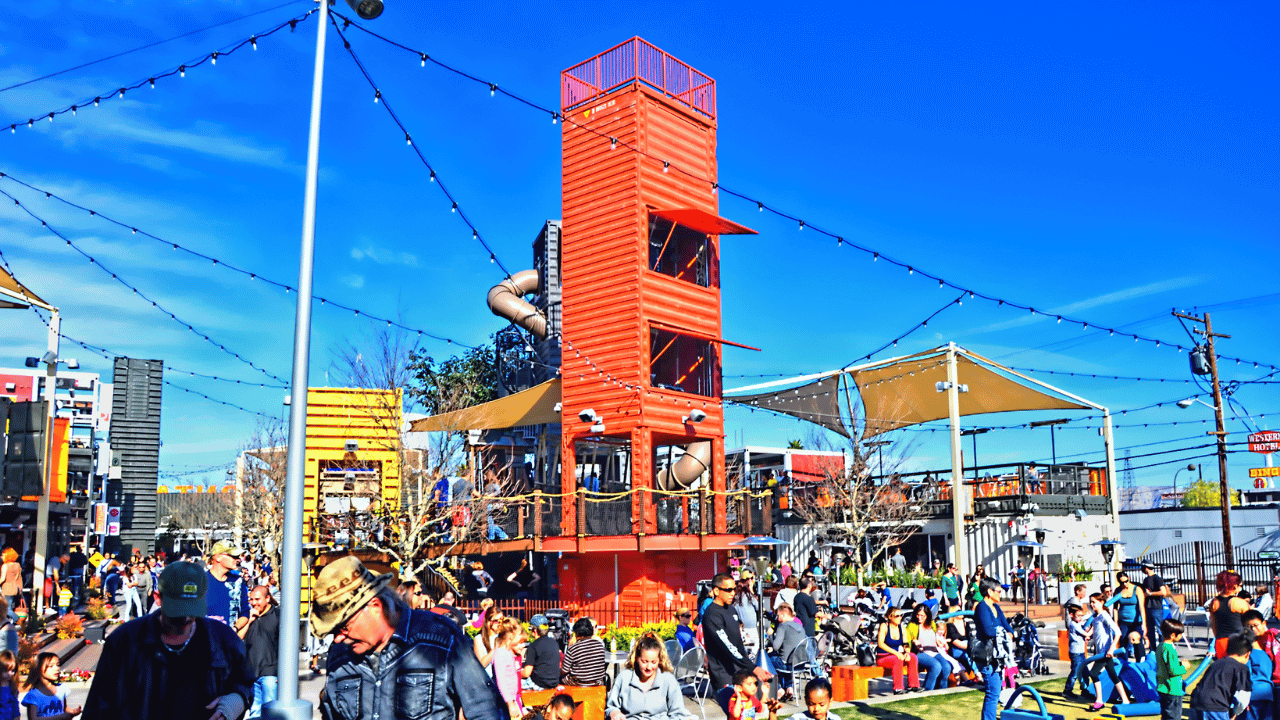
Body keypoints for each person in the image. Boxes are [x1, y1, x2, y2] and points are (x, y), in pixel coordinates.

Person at [309, 555, 505, 720]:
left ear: (376, 607)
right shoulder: (340, 655)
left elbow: (486, 709)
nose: (338, 639)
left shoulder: (440, 638)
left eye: (344, 626)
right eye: (334, 631)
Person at [83, 560, 253, 720]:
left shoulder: (222, 638)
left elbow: (246, 684)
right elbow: (98, 707)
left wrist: (232, 704)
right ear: (158, 598)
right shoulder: (125, 641)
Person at [702, 573, 770, 692]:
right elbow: (727, 646)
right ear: (716, 591)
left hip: (739, 670)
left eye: (734, 589)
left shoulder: (731, 609)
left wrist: (747, 666)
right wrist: (752, 667)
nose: (733, 593)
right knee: (735, 709)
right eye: (728, 590)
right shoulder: (712, 614)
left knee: (750, 709)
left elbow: (738, 643)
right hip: (723, 674)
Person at [605, 633, 691, 720]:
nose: (649, 667)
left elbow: (678, 714)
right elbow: (610, 707)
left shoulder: (669, 680)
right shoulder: (624, 678)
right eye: (644, 661)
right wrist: (614, 712)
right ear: (636, 658)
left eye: (653, 662)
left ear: (660, 660)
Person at [974, 576, 1013, 720]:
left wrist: (1010, 632)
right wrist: (1005, 633)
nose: (1001, 594)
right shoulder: (982, 608)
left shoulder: (995, 607)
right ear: (989, 592)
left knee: (995, 690)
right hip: (986, 655)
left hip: (997, 654)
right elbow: (988, 631)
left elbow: (1006, 625)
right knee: (993, 691)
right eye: (999, 591)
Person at [1189, 633, 1252, 720]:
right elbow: (1242, 698)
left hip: (1196, 702)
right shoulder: (1242, 668)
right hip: (1216, 706)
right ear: (1247, 654)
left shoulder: (1216, 663)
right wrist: (1235, 713)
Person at [239, 586, 279, 720]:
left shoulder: (278, 615)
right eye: (251, 600)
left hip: (270, 674)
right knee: (255, 712)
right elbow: (238, 638)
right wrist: (249, 620)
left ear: (267, 598)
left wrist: (283, 673)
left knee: (270, 713)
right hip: (252, 674)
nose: (254, 603)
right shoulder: (248, 617)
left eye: (257, 599)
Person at [1087, 592, 1130, 711]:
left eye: (1094, 602)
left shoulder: (1104, 615)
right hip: (1101, 651)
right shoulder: (1096, 616)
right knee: (1113, 675)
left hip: (1105, 652)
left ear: (1101, 602)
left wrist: (1111, 648)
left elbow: (1118, 632)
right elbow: (1097, 631)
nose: (1091, 604)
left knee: (1094, 673)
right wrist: (1089, 636)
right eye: (1090, 602)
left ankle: (1099, 701)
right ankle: (1125, 700)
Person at [204, 541, 250, 632]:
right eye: (234, 556)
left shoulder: (238, 581)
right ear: (218, 557)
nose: (238, 559)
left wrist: (234, 629)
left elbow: (245, 612)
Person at [876, 608, 921, 695]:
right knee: (897, 659)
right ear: (890, 617)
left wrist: (907, 652)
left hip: (894, 656)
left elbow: (905, 643)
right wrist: (896, 653)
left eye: (901, 615)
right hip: (883, 657)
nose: (900, 618)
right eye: (897, 616)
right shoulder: (884, 626)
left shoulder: (902, 628)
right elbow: (880, 644)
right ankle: (898, 688)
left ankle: (913, 685)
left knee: (913, 657)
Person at [767, 603, 806, 702]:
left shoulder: (783, 626)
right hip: (800, 664)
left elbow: (775, 647)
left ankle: (779, 688)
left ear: (783, 615)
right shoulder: (800, 626)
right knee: (784, 658)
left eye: (778, 615)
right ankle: (789, 687)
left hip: (787, 664)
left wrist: (770, 635)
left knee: (767, 660)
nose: (777, 618)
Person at [22, 653, 78, 720]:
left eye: (58, 665)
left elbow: (64, 708)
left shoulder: (62, 689)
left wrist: (73, 712)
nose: (56, 668)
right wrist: (59, 718)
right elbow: (33, 718)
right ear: (39, 669)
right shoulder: (33, 695)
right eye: (51, 666)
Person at [1210, 571, 1250, 658]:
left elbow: (1214, 626)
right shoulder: (1239, 602)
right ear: (1235, 585)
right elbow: (1249, 625)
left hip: (1220, 641)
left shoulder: (1214, 602)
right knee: (1241, 669)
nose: (1240, 588)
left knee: (1225, 669)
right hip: (1237, 642)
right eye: (1240, 585)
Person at [491, 618, 526, 720]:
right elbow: (501, 681)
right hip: (504, 702)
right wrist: (510, 704)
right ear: (511, 636)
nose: (521, 643)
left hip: (512, 699)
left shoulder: (507, 653)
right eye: (519, 638)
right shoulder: (500, 654)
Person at [905, 604, 945, 690]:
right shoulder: (912, 625)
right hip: (920, 653)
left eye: (922, 616)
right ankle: (927, 689)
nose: (919, 618)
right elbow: (907, 640)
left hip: (934, 652)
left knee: (946, 667)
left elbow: (935, 636)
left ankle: (941, 690)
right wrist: (913, 641)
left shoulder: (932, 624)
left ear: (927, 616)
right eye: (918, 615)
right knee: (936, 666)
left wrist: (939, 641)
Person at [1107, 572, 1147, 657]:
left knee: (1138, 643)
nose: (1125, 584)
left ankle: (1141, 662)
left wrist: (1144, 623)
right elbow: (1115, 608)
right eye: (1122, 582)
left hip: (1136, 621)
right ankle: (1123, 663)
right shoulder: (1118, 591)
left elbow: (1141, 607)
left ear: (1129, 579)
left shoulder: (1137, 589)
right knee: (1123, 642)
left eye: (1126, 581)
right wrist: (1116, 622)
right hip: (1123, 621)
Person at [562, 618, 607, 687]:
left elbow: (564, 670)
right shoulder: (599, 646)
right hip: (597, 683)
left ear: (577, 633)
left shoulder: (573, 648)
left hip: (577, 684)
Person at [1156, 619, 1187, 720]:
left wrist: (1179, 664)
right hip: (1172, 689)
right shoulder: (1170, 650)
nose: (1181, 636)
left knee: (1166, 715)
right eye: (1180, 634)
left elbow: (1166, 665)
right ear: (1173, 635)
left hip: (1163, 687)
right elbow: (1173, 670)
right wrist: (1184, 667)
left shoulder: (1160, 647)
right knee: (1174, 716)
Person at [522, 615, 561, 691]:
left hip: (540, 684)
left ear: (535, 630)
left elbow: (526, 673)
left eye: (530, 629)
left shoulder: (533, 646)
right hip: (554, 683)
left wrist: (517, 673)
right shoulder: (554, 643)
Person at [1062, 603, 1093, 700]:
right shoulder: (1073, 624)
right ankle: (1067, 691)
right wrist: (1093, 628)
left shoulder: (1078, 623)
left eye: (1081, 616)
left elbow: (1083, 630)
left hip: (1081, 652)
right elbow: (1086, 634)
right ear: (1071, 615)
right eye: (1078, 616)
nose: (1080, 618)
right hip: (1075, 653)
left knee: (1085, 672)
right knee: (1075, 672)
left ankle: (1085, 690)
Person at [1140, 562, 1172, 652]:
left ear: (1146, 567)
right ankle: (1153, 650)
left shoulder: (1157, 579)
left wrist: (1150, 594)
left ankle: (1163, 649)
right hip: (1147, 607)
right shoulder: (1146, 579)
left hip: (1156, 608)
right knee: (1150, 630)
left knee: (1160, 629)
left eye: (1142, 567)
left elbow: (1163, 592)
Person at [1247, 625, 1274, 720]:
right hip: (1268, 693)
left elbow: (1246, 676)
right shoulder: (1266, 655)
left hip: (1254, 694)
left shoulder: (1248, 655)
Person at [0, 551, 19, 623]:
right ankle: (10, 622)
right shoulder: (16, 566)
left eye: (3, 555)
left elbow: (3, 578)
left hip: (7, 588)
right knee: (9, 606)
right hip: (14, 588)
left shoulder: (5, 566)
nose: (2, 557)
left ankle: (17, 619)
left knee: (6, 609)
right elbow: (16, 578)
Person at [0, 650, 18, 720]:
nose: (9, 673)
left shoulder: (12, 686)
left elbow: (15, 705)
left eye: (13, 670)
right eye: (5, 670)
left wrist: (17, 717)